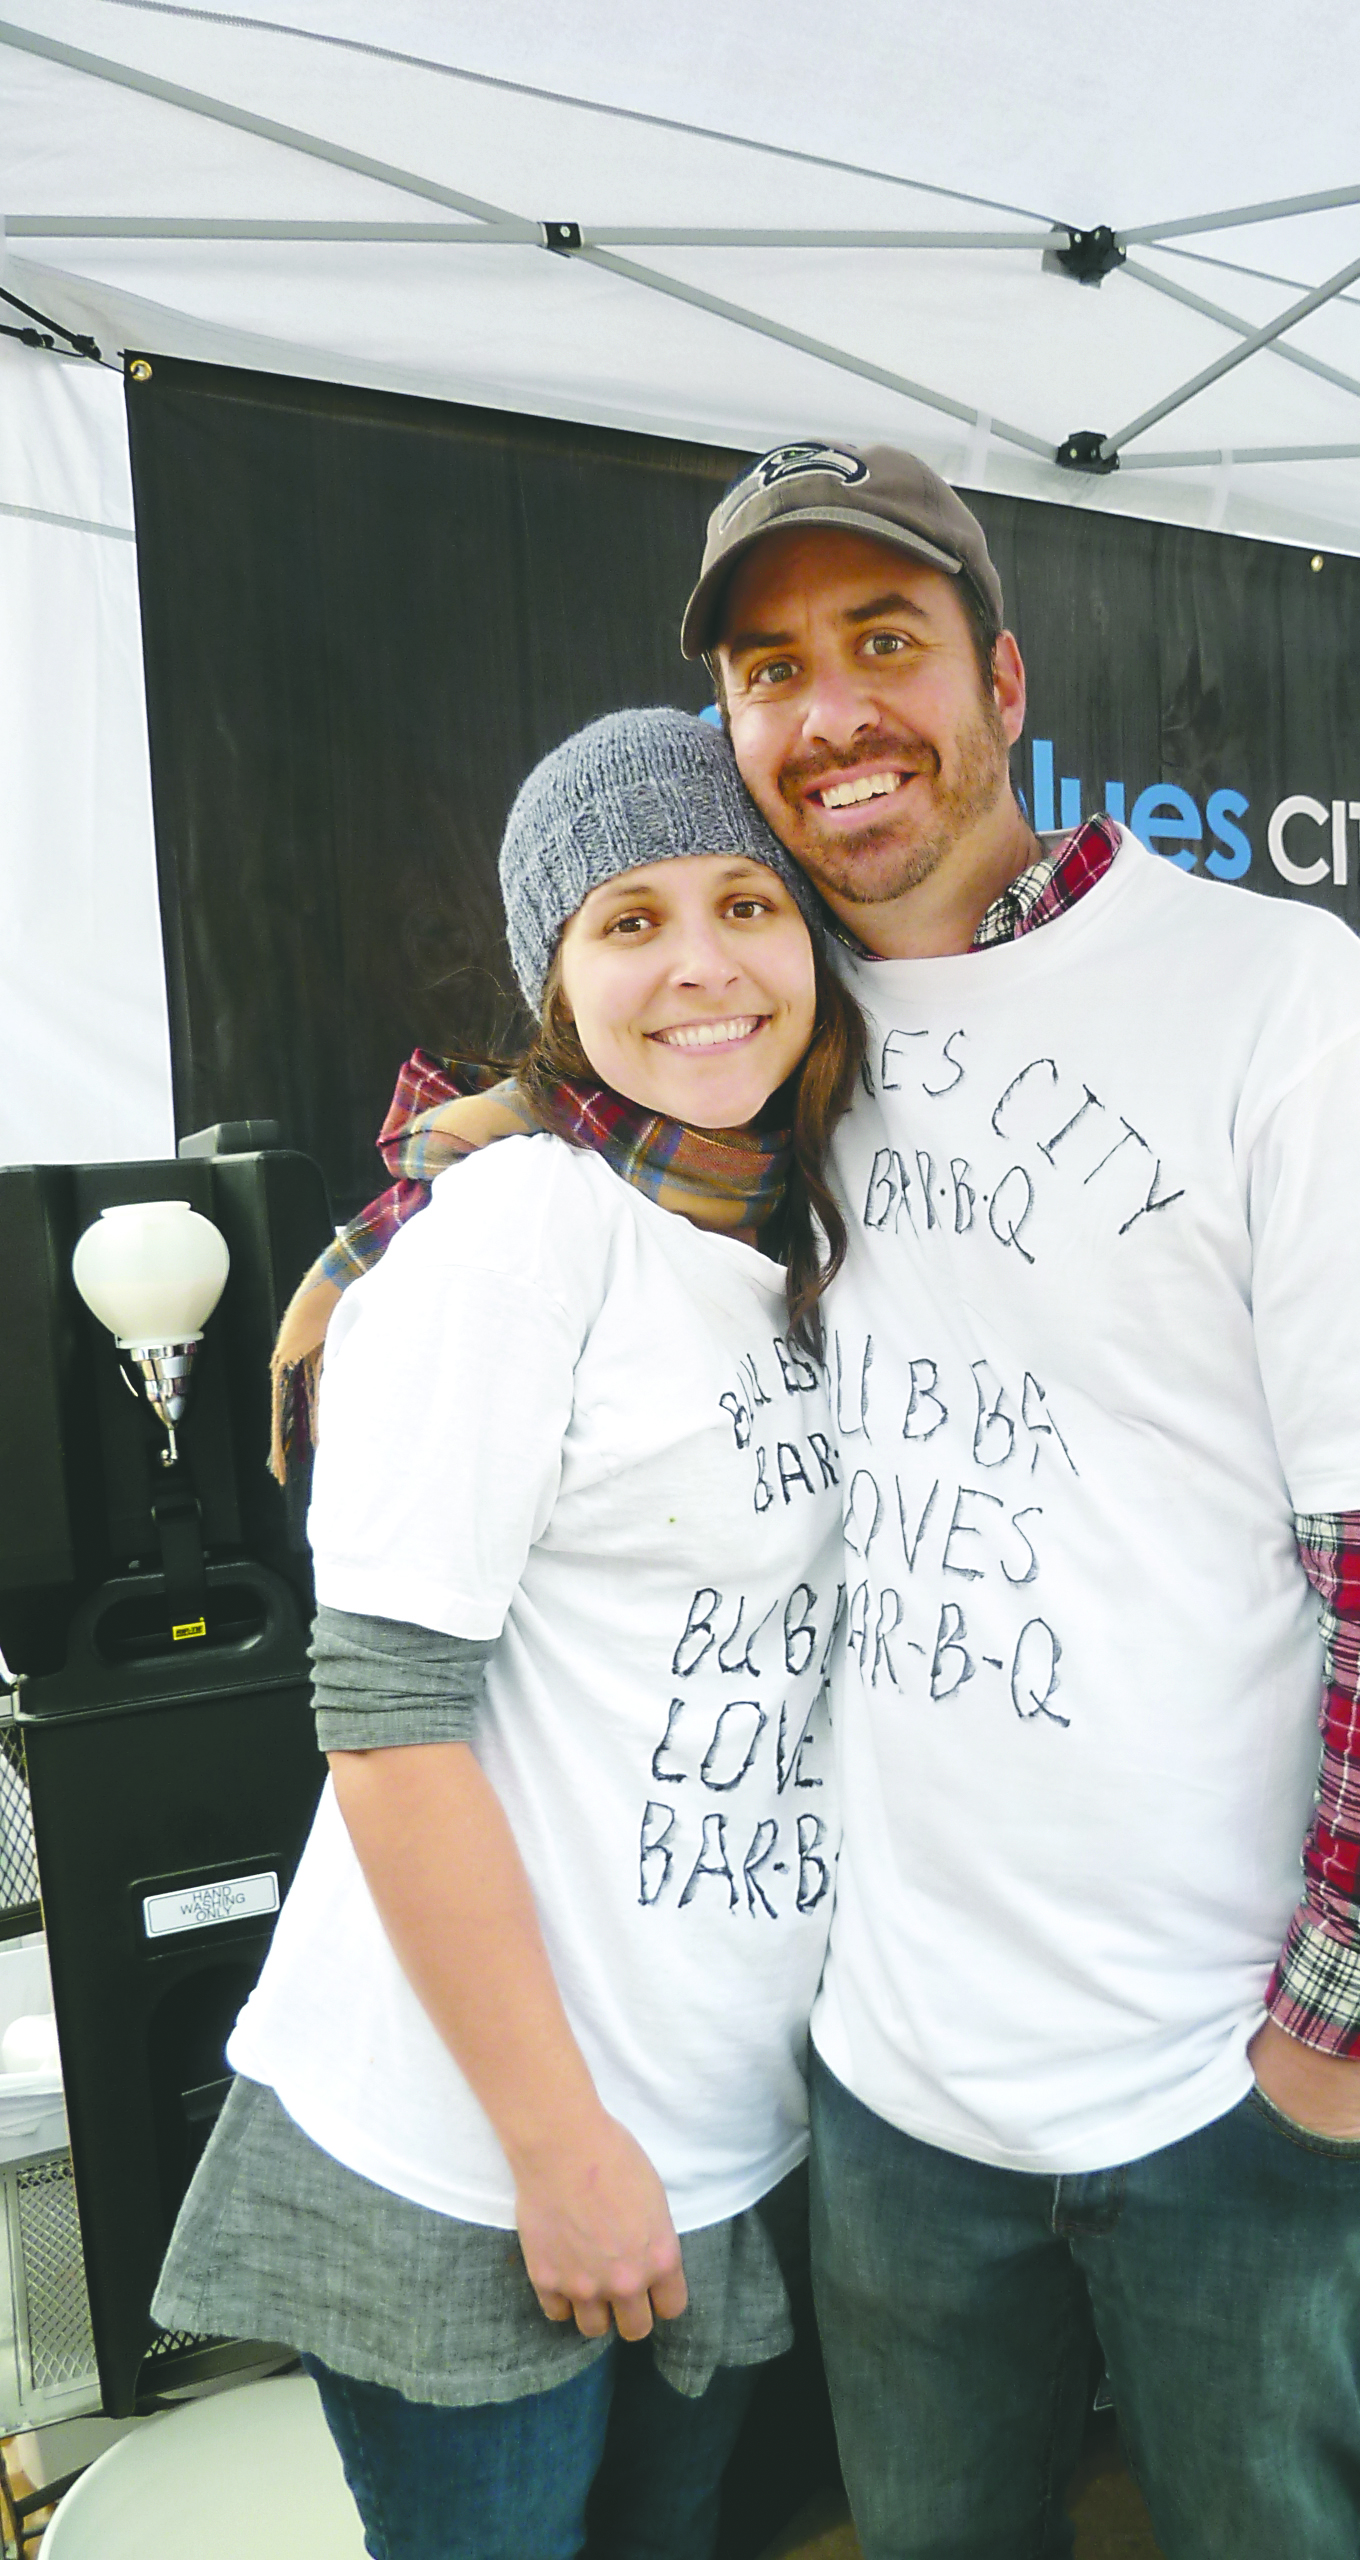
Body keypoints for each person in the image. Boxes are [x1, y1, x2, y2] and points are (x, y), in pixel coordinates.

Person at [679, 443, 1360, 2559]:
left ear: (1003, 679)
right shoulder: (773, 1022)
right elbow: (562, 1101)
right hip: (897, 2081)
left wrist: (1342, 2031)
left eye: (887, 642)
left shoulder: (1279, 999)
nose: (835, 712)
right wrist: (364, 1240)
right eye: (773, 668)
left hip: (1219, 2081)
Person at [153, 709, 866, 2560]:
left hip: (713, 2120)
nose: (702, 964)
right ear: (553, 976)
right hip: (488, 2143)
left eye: (744, 902)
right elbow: (385, 1727)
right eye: (629, 921)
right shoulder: (518, 1235)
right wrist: (558, 2152)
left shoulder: (798, 1235)